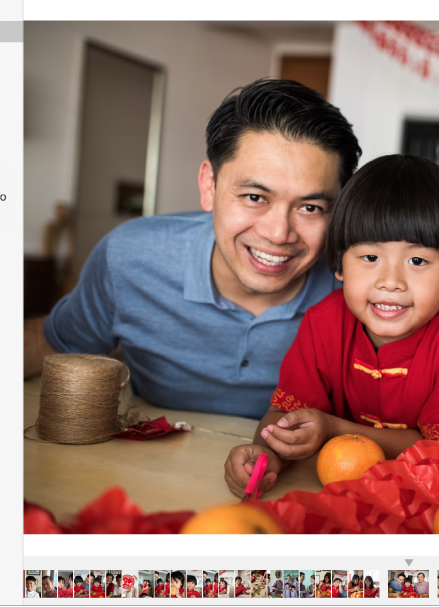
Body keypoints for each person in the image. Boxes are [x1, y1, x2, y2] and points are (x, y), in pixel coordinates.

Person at [24, 78, 362, 421]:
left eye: (310, 208)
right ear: (209, 186)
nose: (278, 234)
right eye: (255, 197)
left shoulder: (362, 288)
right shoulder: (130, 256)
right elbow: (52, 345)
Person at [227, 153, 439, 494]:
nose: (390, 281)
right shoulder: (324, 322)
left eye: (417, 260)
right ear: (339, 266)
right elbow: (285, 415)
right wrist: (267, 456)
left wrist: (331, 428)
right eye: (370, 257)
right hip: (345, 491)